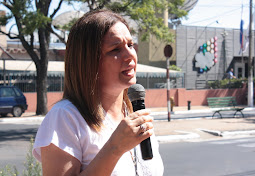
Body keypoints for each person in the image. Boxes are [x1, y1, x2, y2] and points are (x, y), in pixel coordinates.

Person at [32, 9, 164, 176]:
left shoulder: (133, 111)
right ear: (89, 61)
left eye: (130, 45)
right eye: (116, 49)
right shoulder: (65, 117)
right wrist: (114, 149)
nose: (130, 55)